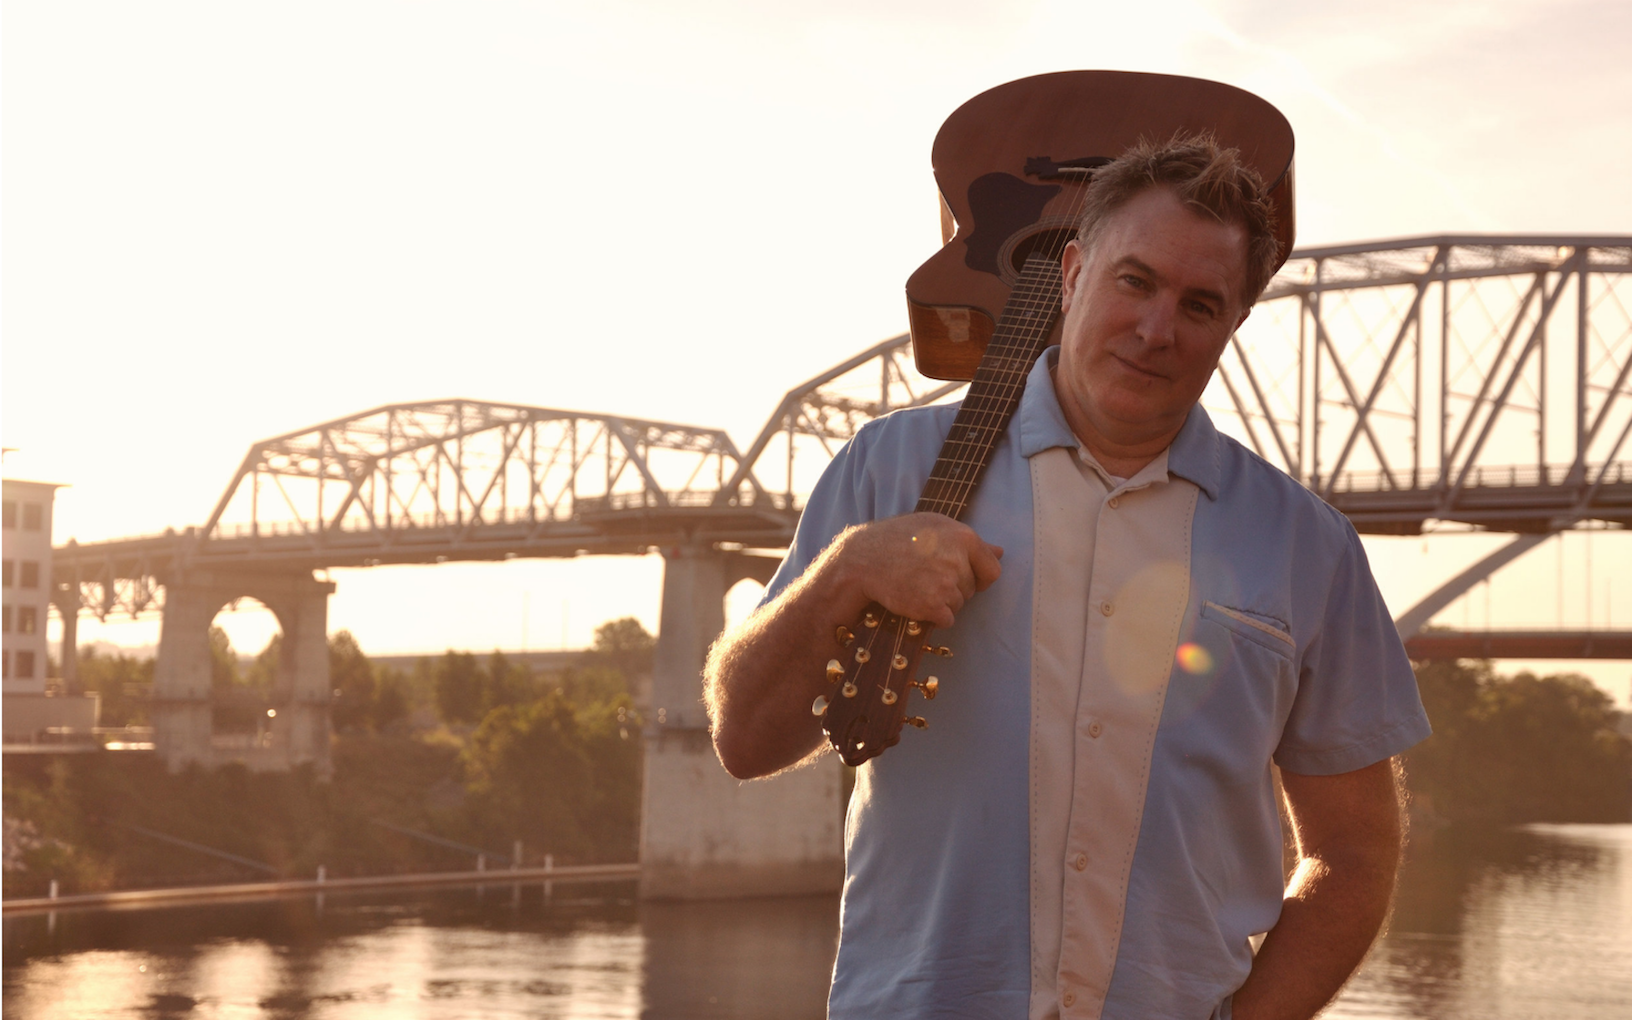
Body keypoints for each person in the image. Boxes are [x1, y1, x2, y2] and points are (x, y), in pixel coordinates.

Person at [704, 134, 1431, 1020]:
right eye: (1135, 281)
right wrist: (846, 572)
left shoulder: (1307, 546)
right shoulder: (891, 468)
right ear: (1073, 273)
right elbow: (745, 740)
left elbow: (1354, 856)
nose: (1157, 329)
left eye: (1200, 304)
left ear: (1234, 324)